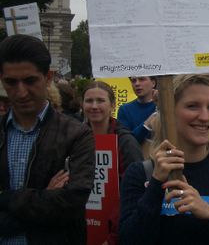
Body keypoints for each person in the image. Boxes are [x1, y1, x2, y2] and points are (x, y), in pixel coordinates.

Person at [119, 74, 209, 245]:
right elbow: (128, 239)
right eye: (192, 106)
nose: (204, 117)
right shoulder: (141, 173)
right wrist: (156, 185)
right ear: (169, 111)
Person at [0, 34, 95, 243]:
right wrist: (43, 197)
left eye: (30, 81)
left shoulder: (76, 134)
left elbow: (70, 204)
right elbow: (53, 207)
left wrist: (5, 198)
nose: (21, 92)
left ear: (48, 77)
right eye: (11, 82)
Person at [82, 81, 143, 244]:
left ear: (112, 105)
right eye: (89, 101)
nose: (94, 106)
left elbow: (135, 191)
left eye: (100, 101)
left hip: (115, 231)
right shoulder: (74, 139)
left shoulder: (126, 142)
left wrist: (114, 237)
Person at [117, 76, 157, 144]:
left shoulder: (163, 106)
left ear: (153, 83)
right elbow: (125, 142)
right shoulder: (125, 110)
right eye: (133, 81)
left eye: (142, 79)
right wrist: (146, 125)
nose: (137, 84)